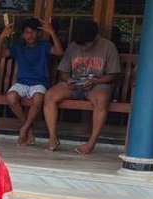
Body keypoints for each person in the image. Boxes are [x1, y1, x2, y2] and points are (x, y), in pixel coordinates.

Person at [43, 20, 121, 155]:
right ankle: (53, 138)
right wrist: (68, 79)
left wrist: (96, 81)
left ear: (95, 36)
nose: (83, 47)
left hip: (97, 85)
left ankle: (91, 143)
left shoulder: (108, 47)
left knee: (102, 100)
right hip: (75, 84)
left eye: (86, 44)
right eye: (81, 44)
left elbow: (113, 75)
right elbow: (63, 71)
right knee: (50, 95)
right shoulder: (73, 46)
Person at [0, 17, 64, 145]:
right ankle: (28, 129)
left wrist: (52, 32)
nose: (29, 35)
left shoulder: (44, 46)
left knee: (37, 99)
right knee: (11, 97)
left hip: (39, 83)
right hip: (22, 83)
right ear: (23, 34)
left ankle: (25, 128)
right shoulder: (18, 47)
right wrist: (2, 37)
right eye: (26, 32)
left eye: (32, 32)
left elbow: (59, 52)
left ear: (39, 33)